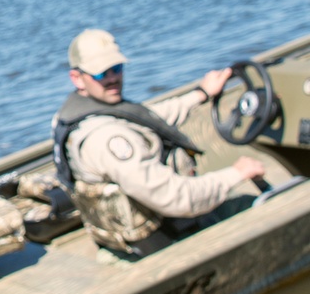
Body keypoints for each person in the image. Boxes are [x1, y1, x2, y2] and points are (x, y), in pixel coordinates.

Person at [52, 29, 265, 262]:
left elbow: (147, 119)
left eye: (117, 68)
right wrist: (236, 174)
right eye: (101, 74)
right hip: (161, 243)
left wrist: (200, 94)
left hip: (135, 235)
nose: (113, 79)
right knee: (258, 206)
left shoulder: (74, 115)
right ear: (77, 78)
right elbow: (177, 198)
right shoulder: (108, 139)